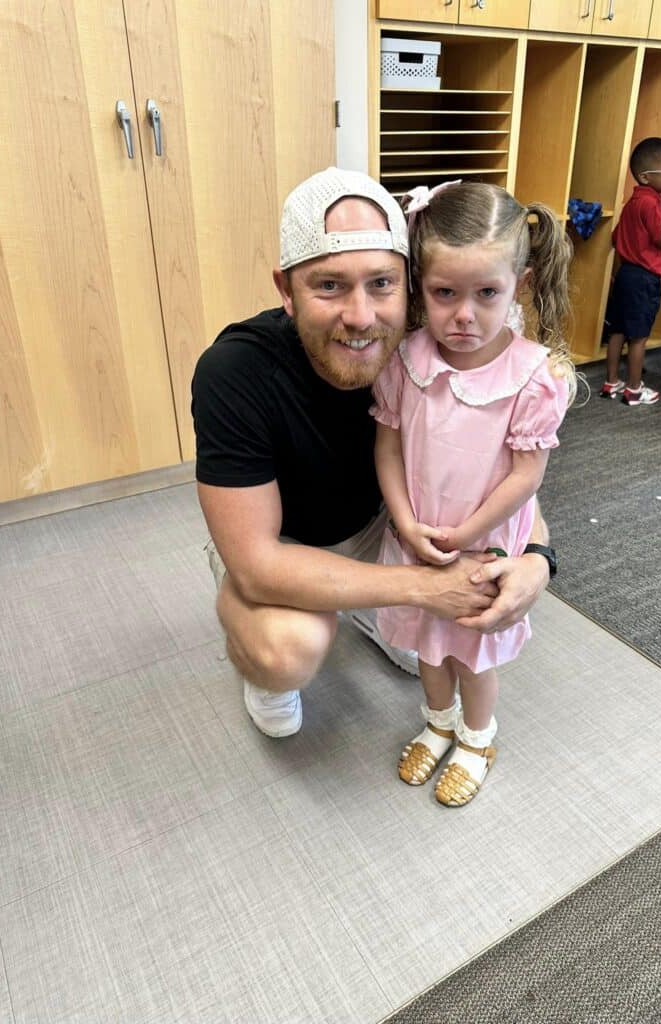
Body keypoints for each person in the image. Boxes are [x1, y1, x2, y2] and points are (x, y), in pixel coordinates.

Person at [190, 167, 556, 740]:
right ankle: (261, 635)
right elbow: (258, 561)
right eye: (329, 285)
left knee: (434, 656)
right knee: (288, 648)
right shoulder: (235, 372)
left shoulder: (426, 351)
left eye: (382, 283)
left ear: (409, 285)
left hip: (383, 528)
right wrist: (426, 588)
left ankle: (361, 600)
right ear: (285, 290)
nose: (361, 316)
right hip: (279, 541)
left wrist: (537, 559)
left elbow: (507, 471)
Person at [371, 181, 574, 806]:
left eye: (487, 294)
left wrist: (463, 535)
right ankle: (437, 723)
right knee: (426, 643)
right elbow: (388, 447)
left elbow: (525, 476)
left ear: (523, 283)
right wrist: (406, 523)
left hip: (483, 547)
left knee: (471, 653)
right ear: (419, 290)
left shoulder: (535, 377)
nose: (464, 315)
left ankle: (477, 736)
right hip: (417, 540)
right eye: (444, 294)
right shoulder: (406, 360)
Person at [601, 137, 661, 406]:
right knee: (639, 338)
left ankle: (611, 381)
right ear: (646, 177)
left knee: (617, 332)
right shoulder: (652, 203)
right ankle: (634, 390)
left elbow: (616, 238)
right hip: (644, 279)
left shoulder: (633, 202)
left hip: (626, 275)